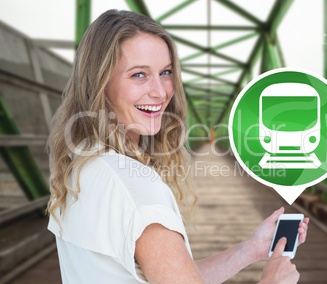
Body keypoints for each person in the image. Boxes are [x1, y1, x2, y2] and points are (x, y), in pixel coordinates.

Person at [47, 9, 309, 284]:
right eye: (139, 75)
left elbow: (169, 275)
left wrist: (249, 250)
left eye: (166, 72)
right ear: (100, 83)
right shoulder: (136, 188)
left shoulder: (80, 167)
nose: (160, 91)